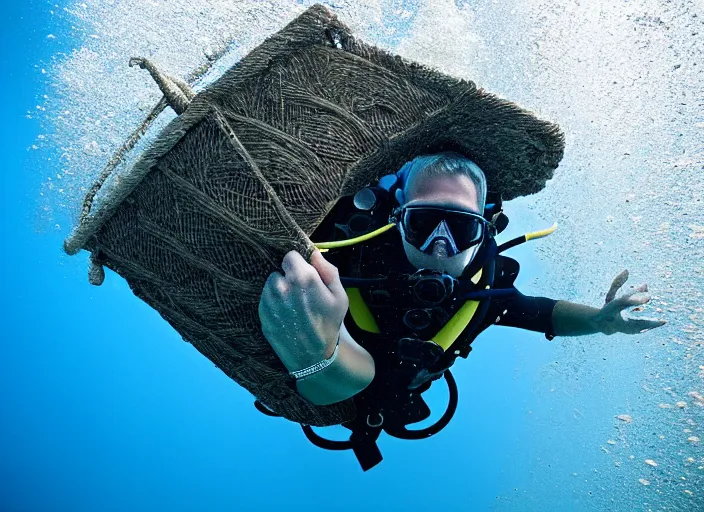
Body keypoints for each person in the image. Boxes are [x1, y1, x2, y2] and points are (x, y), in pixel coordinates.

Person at [258, 153, 667, 407]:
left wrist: (598, 321)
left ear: (484, 232)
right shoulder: (347, 252)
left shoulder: (484, 292)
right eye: (423, 223)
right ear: (397, 218)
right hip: (347, 378)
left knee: (372, 381)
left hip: (389, 384)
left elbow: (541, 312)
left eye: (460, 228)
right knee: (363, 376)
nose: (440, 246)